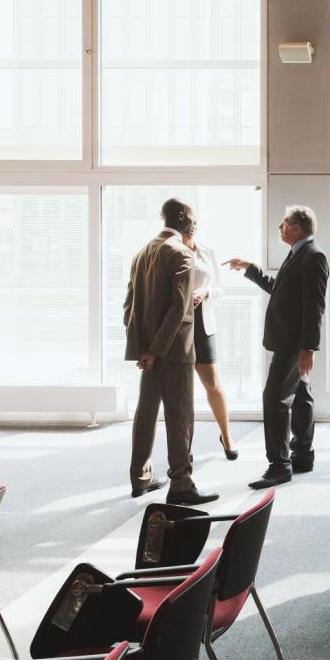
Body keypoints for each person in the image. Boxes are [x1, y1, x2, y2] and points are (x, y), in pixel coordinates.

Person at [225, 206, 330, 489]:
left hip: (294, 345)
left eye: (283, 223)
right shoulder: (297, 254)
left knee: (274, 400)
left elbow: (315, 307)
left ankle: (279, 465)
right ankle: (303, 456)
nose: (279, 227)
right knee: (300, 397)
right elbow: (279, 289)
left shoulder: (313, 256)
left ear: (296, 228)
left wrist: (308, 348)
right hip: (289, 341)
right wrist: (250, 269)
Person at [124, 198, 218, 505]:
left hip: (150, 352)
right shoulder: (181, 254)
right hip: (174, 350)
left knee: (146, 412)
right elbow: (180, 309)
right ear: (187, 221)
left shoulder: (142, 252)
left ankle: (140, 477)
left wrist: (142, 348)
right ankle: (181, 483)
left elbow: (130, 306)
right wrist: (157, 349)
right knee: (180, 416)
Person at [181, 221, 237, 460]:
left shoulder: (206, 251)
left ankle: (226, 436)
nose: (192, 227)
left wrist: (206, 292)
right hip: (179, 326)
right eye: (187, 223)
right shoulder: (170, 249)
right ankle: (184, 446)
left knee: (213, 384)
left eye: (194, 223)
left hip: (203, 326)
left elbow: (220, 288)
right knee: (184, 389)